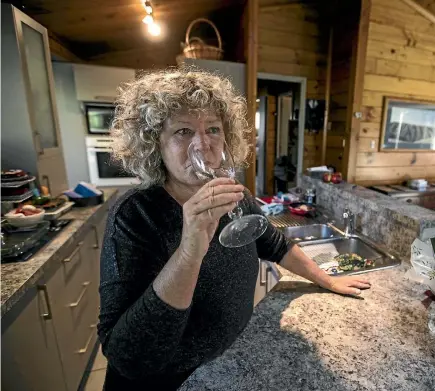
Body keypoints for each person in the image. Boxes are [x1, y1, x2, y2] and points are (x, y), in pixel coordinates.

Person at [98, 68, 372, 390]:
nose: (202, 145)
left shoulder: (232, 192)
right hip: (175, 382)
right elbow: (127, 356)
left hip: (226, 368)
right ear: (154, 143)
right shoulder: (135, 215)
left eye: (212, 129)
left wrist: (326, 279)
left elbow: (273, 242)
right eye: (183, 131)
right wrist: (189, 251)